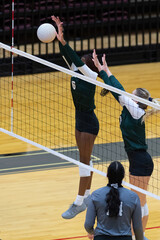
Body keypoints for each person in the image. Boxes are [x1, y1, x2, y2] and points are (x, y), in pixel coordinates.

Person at [92, 49, 160, 239]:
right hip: (138, 159)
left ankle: (140, 235)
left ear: (137, 100)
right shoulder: (134, 109)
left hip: (141, 160)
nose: (129, 97)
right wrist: (105, 70)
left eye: (132, 95)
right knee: (139, 200)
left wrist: (104, 71)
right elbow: (118, 91)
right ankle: (140, 235)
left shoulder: (136, 111)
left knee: (139, 201)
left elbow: (118, 90)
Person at [51, 16, 108, 219]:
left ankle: (78, 202)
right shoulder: (76, 71)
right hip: (79, 119)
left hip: (89, 122)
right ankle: (88, 196)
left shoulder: (90, 76)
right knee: (86, 161)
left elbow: (74, 57)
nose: (82, 60)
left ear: (89, 67)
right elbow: (68, 56)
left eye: (85, 60)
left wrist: (65, 42)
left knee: (83, 162)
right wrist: (60, 37)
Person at [84, 161, 144, 240]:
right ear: (123, 176)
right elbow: (138, 228)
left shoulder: (96, 195)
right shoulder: (133, 197)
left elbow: (88, 225)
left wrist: (94, 233)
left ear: (107, 175)